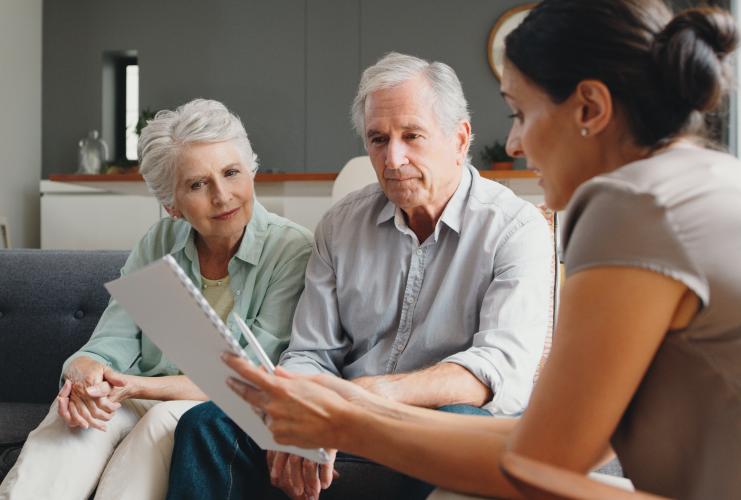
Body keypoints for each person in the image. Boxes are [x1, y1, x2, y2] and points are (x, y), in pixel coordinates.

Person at [215, 2, 741, 500]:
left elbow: (539, 461)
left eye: (519, 113)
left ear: (591, 107)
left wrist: (348, 417)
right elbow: (562, 445)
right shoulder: (704, 181)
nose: (513, 145)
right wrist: (349, 406)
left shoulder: (628, 206)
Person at [165, 53, 554, 500]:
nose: (393, 158)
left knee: (465, 420)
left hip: (434, 423)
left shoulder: (515, 228)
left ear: (459, 139)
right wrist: (307, 408)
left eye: (412, 136)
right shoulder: (340, 225)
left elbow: (495, 371)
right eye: (378, 139)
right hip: (341, 421)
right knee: (207, 423)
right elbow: (310, 352)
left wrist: (363, 398)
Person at [0, 99, 313, 500]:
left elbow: (247, 379)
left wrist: (133, 387)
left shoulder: (291, 248)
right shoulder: (159, 241)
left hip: (215, 405)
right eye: (198, 184)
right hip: (139, 392)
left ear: (250, 172)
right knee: (73, 421)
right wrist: (84, 377)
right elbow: (111, 340)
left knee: (164, 419)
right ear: (171, 205)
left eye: (232, 173)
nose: (222, 196)